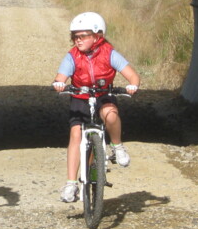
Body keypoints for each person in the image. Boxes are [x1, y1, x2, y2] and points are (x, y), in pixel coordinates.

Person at [52, 12, 140, 203]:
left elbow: (132, 75)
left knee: (110, 114)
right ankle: (70, 184)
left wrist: (133, 85)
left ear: (97, 36)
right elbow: (61, 76)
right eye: (75, 36)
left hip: (103, 95)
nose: (77, 40)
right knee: (75, 135)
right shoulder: (72, 56)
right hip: (80, 97)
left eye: (82, 36)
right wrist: (59, 83)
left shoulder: (109, 53)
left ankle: (117, 147)